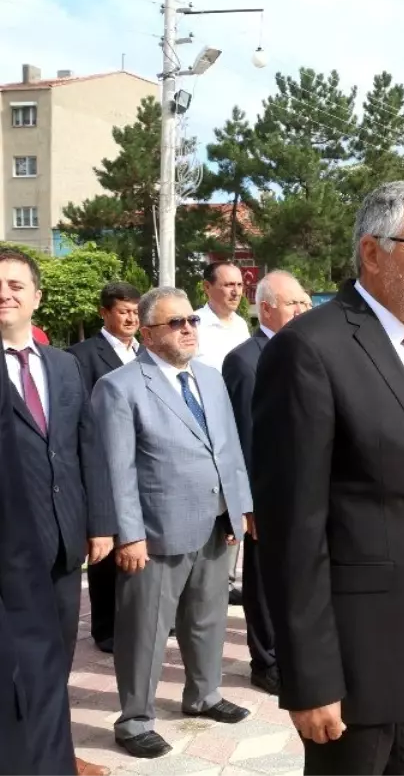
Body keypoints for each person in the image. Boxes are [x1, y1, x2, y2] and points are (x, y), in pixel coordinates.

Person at [251, 181, 404, 775]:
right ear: (373, 253)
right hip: (358, 670)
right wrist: (310, 677)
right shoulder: (308, 351)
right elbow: (293, 532)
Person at [92, 286, 254, 759]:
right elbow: (114, 468)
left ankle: (203, 696)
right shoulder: (120, 387)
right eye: (176, 323)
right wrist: (130, 535)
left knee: (207, 619)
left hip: (215, 522)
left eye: (192, 321)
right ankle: (135, 720)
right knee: (145, 631)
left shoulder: (210, 377)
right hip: (156, 533)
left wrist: (238, 507)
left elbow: (230, 448)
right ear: (147, 333)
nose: (188, 329)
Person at [0, 249, 116, 776]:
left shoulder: (64, 366)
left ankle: (54, 757)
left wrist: (100, 524)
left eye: (16, 284)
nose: (5, 293)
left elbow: (86, 448)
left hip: (65, 546)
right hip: (9, 552)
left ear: (36, 298)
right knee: (13, 667)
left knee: (55, 662)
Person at [221, 271, 310, 697]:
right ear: (268, 307)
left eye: (305, 303)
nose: (303, 311)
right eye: (295, 304)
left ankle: (293, 650)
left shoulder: (307, 350)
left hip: (305, 488)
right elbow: (243, 436)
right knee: (262, 578)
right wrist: (249, 502)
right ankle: (266, 660)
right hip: (266, 493)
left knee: (298, 574)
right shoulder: (244, 359)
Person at [68, 281, 142, 655]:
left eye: (135, 310)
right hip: (102, 461)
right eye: (122, 311)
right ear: (104, 313)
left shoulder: (145, 352)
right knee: (106, 547)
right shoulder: (82, 356)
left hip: (141, 463)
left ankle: (140, 621)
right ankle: (106, 628)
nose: (130, 318)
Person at [194, 261, 251, 605]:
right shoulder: (196, 325)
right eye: (227, 285)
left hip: (238, 424)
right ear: (207, 288)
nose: (235, 292)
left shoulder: (242, 325)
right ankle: (202, 576)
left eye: (240, 286)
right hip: (206, 426)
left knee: (237, 500)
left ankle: (228, 579)